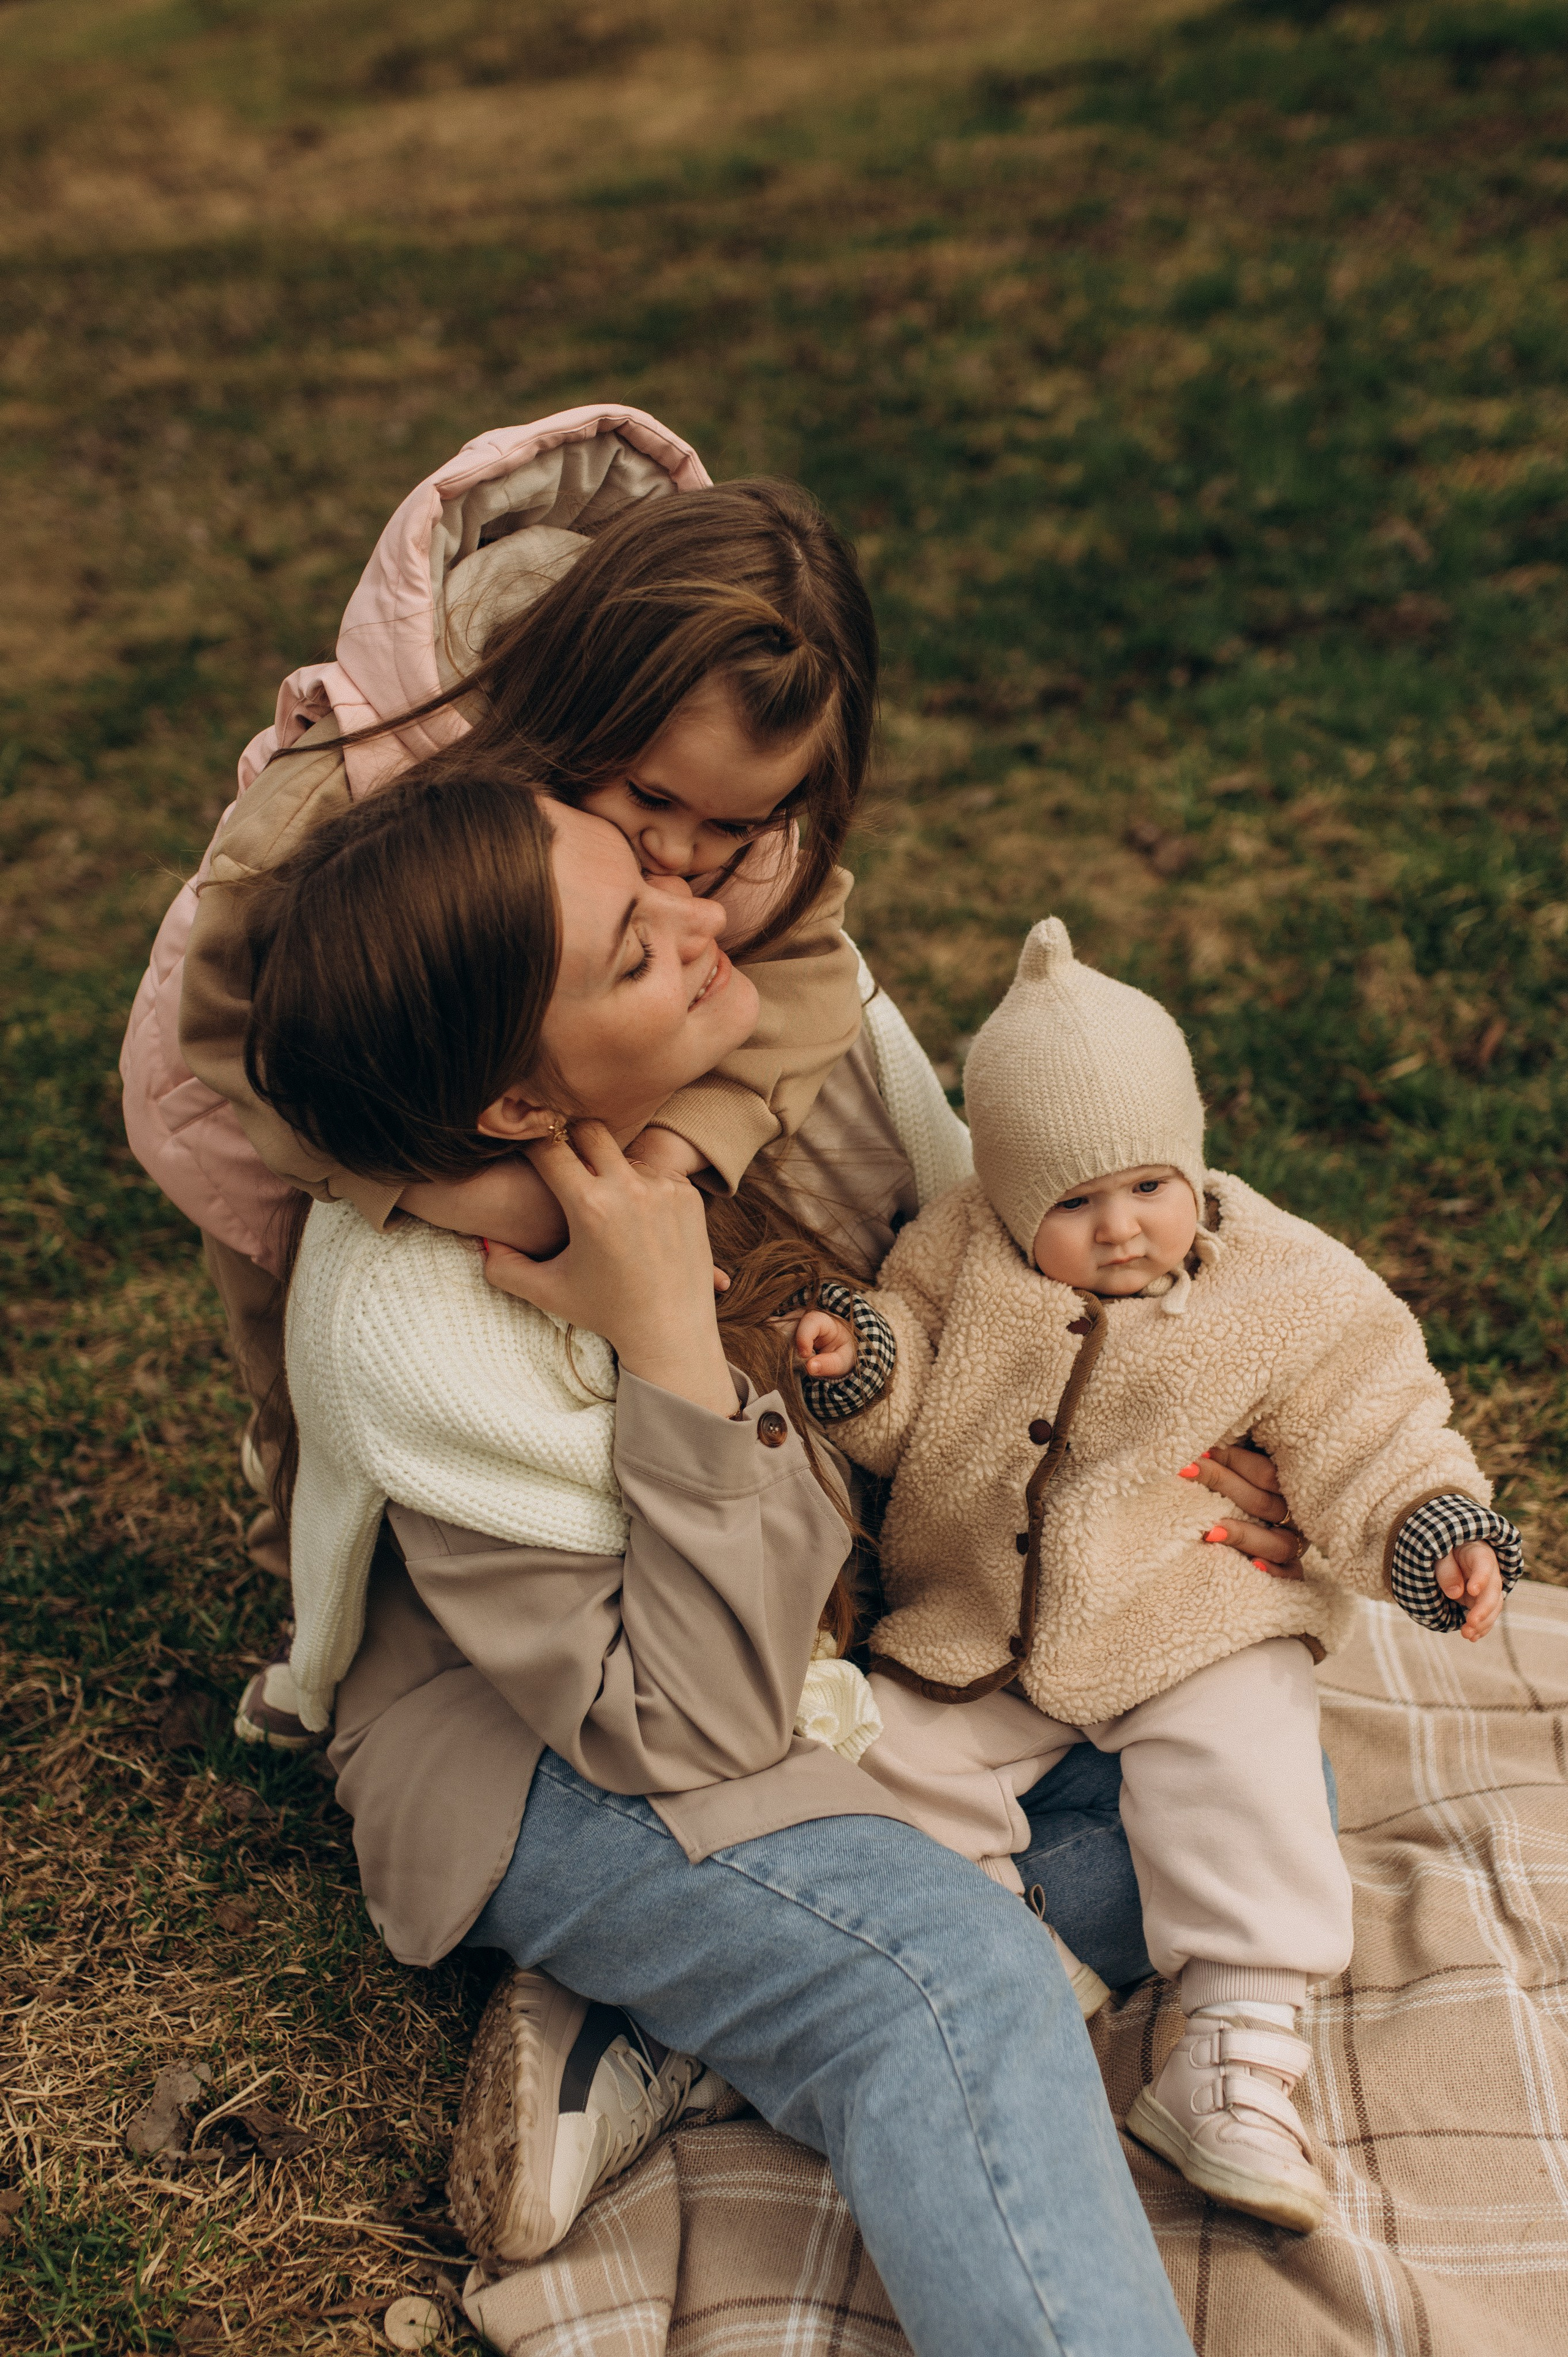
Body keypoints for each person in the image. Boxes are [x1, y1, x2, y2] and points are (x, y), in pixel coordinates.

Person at [233, 761, 1203, 2357]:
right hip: (557, 1754)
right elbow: (692, 1722)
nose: (697, 914)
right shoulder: (427, 1331)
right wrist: (672, 1344)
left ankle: (682, 2029)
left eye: (651, 873)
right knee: (951, 1988)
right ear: (517, 1108)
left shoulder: (749, 1079)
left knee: (1222, 1771)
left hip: (809, 1658)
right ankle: (801, 1992)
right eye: (632, 944)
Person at [794, 915, 1525, 2237]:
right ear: (1011, 1201)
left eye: (1146, 1186)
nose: (1122, 1230)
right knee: (874, 1756)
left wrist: (1431, 1527)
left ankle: (1236, 2049)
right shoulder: (952, 1255)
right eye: (1072, 1205)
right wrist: (856, 1363)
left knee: (1247, 1763)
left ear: (1190, 1160)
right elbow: (904, 1402)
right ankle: (1006, 1947)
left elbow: (1370, 1421)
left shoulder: (1282, 1283)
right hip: (980, 1624)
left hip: (1185, 1604)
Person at [118, 407, 875, 1589]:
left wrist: (675, 1154)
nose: (682, 856)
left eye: (733, 827)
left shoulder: (739, 811)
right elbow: (229, 1036)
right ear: (587, 705)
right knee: (305, 1360)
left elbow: (815, 971)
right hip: (320, 1124)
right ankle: (309, 1570)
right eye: (652, 801)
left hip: (566, 1077)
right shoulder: (353, 785)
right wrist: (459, 1190)